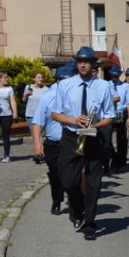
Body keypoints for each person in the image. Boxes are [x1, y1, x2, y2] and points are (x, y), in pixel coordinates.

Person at [50, 46, 115, 241]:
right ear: (76, 63)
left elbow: (110, 115)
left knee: (94, 182)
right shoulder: (65, 85)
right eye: (80, 61)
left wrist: (96, 123)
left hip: (94, 136)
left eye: (87, 61)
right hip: (72, 136)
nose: (83, 64)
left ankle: (90, 224)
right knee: (69, 181)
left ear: (93, 64)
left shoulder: (103, 86)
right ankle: (76, 210)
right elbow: (55, 113)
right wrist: (73, 120)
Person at [31, 66, 72, 215]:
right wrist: (37, 143)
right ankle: (57, 200)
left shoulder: (76, 96)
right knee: (55, 174)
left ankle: (74, 203)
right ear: (58, 81)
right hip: (53, 143)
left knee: (71, 174)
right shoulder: (47, 97)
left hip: (72, 142)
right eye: (64, 81)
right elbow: (38, 122)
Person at [106, 65, 129, 173]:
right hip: (109, 114)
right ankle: (114, 157)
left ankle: (121, 161)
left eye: (116, 76)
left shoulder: (125, 86)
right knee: (107, 139)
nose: (114, 78)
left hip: (121, 113)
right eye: (113, 76)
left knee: (121, 139)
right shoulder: (106, 85)